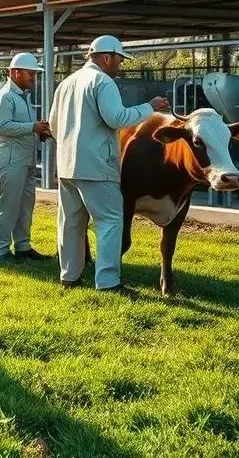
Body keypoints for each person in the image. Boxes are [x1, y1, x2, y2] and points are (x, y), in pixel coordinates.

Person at [48, 35, 169, 296]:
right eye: (119, 60)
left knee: (70, 221)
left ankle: (69, 276)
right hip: (97, 166)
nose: (120, 65)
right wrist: (149, 108)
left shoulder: (67, 83)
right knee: (110, 220)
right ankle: (108, 282)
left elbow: (53, 124)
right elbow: (117, 118)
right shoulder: (103, 82)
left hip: (67, 165)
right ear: (106, 58)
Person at [0, 52, 52, 264]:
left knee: (26, 204)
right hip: (11, 159)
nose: (33, 78)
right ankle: (1, 250)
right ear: (16, 73)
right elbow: (3, 127)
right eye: (31, 74)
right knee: (9, 205)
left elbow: (19, 127)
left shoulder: (22, 96)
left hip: (24, 158)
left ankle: (23, 246)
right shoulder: (6, 97)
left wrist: (39, 132)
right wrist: (32, 127)